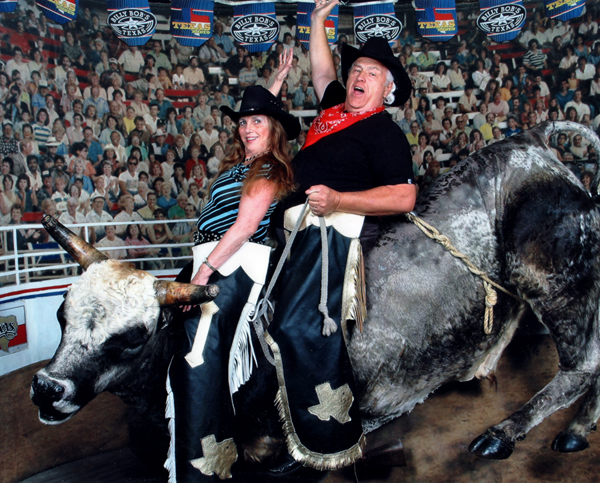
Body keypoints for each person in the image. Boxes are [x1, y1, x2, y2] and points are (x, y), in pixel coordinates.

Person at [259, 0, 416, 474]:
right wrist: (317, 22)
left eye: (371, 73)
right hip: (288, 223)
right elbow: (323, 69)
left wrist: (341, 200)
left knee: (296, 327)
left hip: (327, 229)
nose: (358, 76)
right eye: (357, 70)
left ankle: (323, 439)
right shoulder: (334, 108)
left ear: (386, 91)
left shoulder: (385, 132)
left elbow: (405, 197)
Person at [166, 85, 300, 482]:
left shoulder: (269, 169)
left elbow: (243, 228)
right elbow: (257, 116)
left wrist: (204, 273)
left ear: (274, 128)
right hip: (210, 259)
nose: (246, 128)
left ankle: (204, 471)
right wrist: (269, 88)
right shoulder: (237, 168)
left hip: (236, 263)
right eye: (242, 122)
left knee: (199, 347)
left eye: (257, 121)